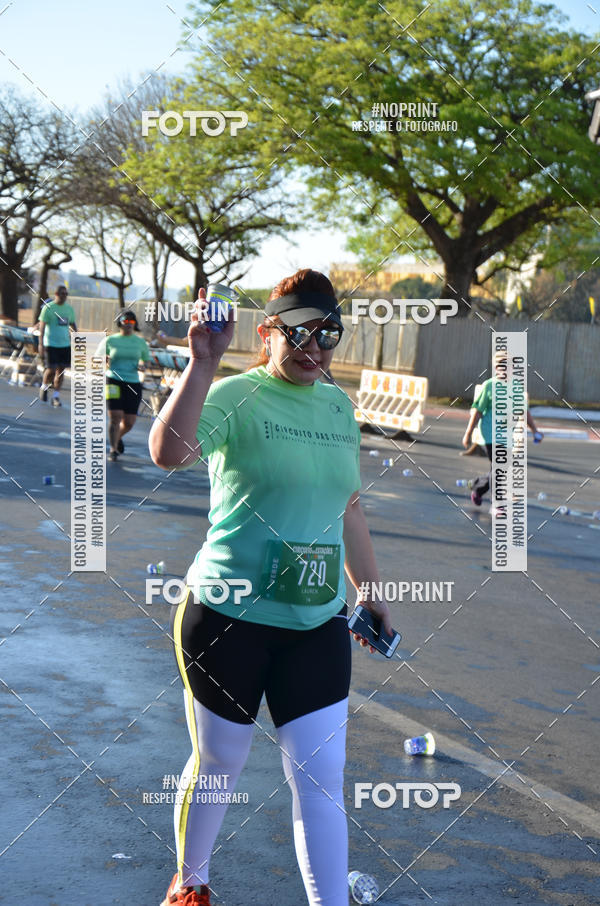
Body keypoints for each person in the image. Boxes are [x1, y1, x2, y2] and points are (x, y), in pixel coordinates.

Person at [149, 268, 393, 906]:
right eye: (300, 334)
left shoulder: (339, 407)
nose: (315, 348)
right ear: (267, 332)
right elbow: (167, 453)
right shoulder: (235, 395)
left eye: (329, 335)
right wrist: (202, 363)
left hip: (315, 625)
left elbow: (351, 508)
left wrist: (370, 594)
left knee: (321, 779)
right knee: (220, 765)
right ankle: (191, 884)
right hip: (227, 619)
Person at [462, 350, 542, 507]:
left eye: (506, 365)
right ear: (495, 367)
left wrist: (534, 430)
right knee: (499, 465)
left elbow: (523, 412)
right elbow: (478, 411)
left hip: (506, 434)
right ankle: (497, 504)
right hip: (490, 432)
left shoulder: (516, 388)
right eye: (499, 365)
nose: (503, 368)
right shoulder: (489, 386)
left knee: (501, 467)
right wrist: (468, 432)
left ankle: (478, 486)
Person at [97, 311, 150, 462]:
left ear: (135, 324)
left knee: (129, 422)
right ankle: (113, 449)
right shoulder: (110, 340)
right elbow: (96, 358)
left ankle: (116, 437)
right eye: (125, 322)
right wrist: (104, 359)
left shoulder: (140, 342)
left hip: (133, 382)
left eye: (131, 322)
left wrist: (143, 366)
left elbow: (146, 360)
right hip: (113, 381)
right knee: (115, 417)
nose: (128, 325)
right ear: (119, 323)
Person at [38, 286, 77, 407]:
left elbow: (73, 324)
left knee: (61, 371)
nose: (64, 296)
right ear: (56, 294)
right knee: (51, 369)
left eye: (66, 294)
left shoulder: (69, 309)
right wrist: (40, 344)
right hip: (51, 343)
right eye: (62, 293)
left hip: (65, 344)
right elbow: (42, 327)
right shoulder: (48, 308)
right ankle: (44, 386)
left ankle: (56, 396)